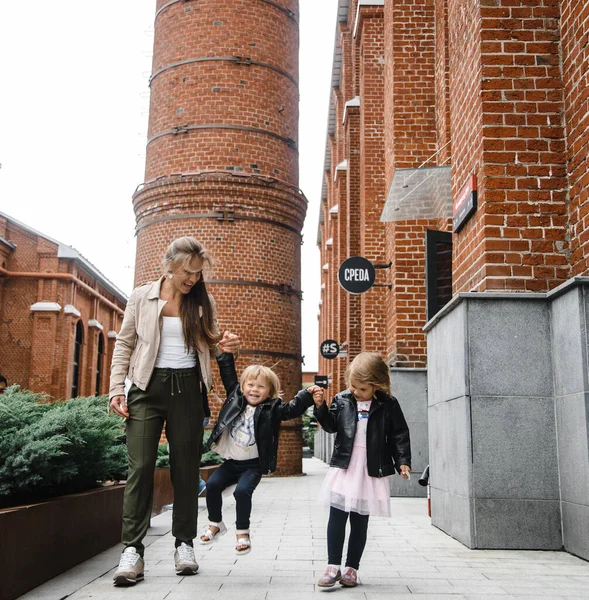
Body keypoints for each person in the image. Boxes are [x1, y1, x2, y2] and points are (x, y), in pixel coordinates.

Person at [108, 236, 240, 586]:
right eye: (187, 272)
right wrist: (115, 389)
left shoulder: (202, 301)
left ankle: (184, 544)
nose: (193, 279)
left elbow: (210, 349)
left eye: (198, 273)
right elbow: (125, 343)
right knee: (140, 467)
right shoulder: (141, 296)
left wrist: (226, 348)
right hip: (145, 391)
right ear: (168, 265)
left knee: (185, 469)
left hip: (187, 390)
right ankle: (132, 551)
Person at [199, 352, 323, 555]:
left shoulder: (272, 408)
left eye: (260, 387)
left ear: (269, 392)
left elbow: (291, 410)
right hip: (231, 462)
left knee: (242, 492)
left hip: (253, 465)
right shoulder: (235, 398)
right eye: (250, 385)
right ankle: (215, 523)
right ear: (243, 386)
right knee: (211, 486)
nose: (254, 390)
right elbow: (228, 375)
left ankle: (242, 533)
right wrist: (225, 355)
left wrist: (306, 395)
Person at [313, 352, 411, 588]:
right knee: (336, 516)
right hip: (346, 466)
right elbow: (330, 426)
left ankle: (351, 568)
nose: (356, 392)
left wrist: (402, 462)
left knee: (360, 521)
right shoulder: (342, 399)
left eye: (362, 389)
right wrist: (320, 408)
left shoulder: (388, 404)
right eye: (353, 386)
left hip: (370, 469)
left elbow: (399, 434)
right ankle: (332, 565)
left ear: (377, 385)